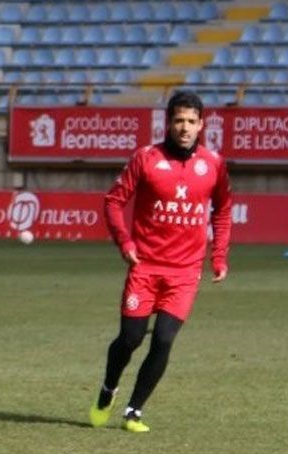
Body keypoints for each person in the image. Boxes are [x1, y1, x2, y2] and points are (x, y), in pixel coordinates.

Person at [88, 90, 232, 433]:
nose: (185, 127)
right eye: (179, 120)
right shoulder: (146, 158)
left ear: (201, 125)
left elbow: (223, 210)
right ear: (168, 123)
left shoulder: (213, 164)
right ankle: (108, 389)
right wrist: (125, 242)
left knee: (164, 339)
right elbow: (113, 201)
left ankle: (134, 411)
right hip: (146, 267)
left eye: (191, 121)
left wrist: (220, 255)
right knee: (131, 339)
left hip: (184, 271)